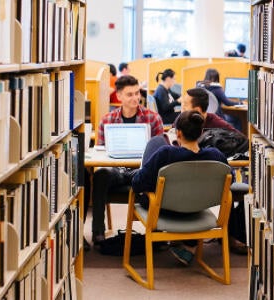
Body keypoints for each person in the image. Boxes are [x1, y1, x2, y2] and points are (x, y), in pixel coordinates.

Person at [131, 110, 230, 265]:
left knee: (155, 148)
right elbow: (227, 180)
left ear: (178, 133)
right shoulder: (216, 156)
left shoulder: (166, 153)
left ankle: (166, 242)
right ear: (201, 133)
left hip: (164, 212)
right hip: (197, 210)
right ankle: (185, 245)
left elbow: (137, 184)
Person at [87, 75, 164, 247]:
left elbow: (161, 153)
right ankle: (98, 232)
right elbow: (101, 153)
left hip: (142, 170)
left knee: (160, 178)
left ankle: (157, 233)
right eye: (130, 95)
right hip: (117, 170)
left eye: (137, 93)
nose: (136, 98)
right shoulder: (107, 120)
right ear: (119, 96)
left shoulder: (153, 118)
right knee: (100, 176)